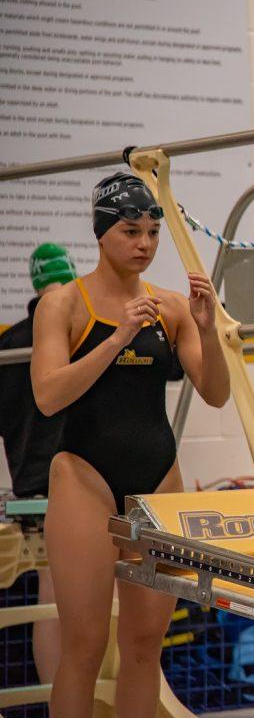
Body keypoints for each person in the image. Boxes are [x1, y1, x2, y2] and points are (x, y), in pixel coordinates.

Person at [30, 172, 229, 718]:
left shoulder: (170, 308)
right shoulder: (65, 305)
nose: (143, 244)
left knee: (145, 647)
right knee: (86, 646)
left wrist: (208, 331)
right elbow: (48, 396)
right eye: (130, 232)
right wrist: (117, 338)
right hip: (83, 476)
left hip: (158, 475)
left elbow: (215, 394)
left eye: (152, 233)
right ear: (100, 234)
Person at [0, 243, 77, 683]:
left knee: (53, 604)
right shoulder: (82, 330)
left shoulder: (9, 343)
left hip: (32, 486)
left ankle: (58, 701)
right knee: (82, 606)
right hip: (77, 482)